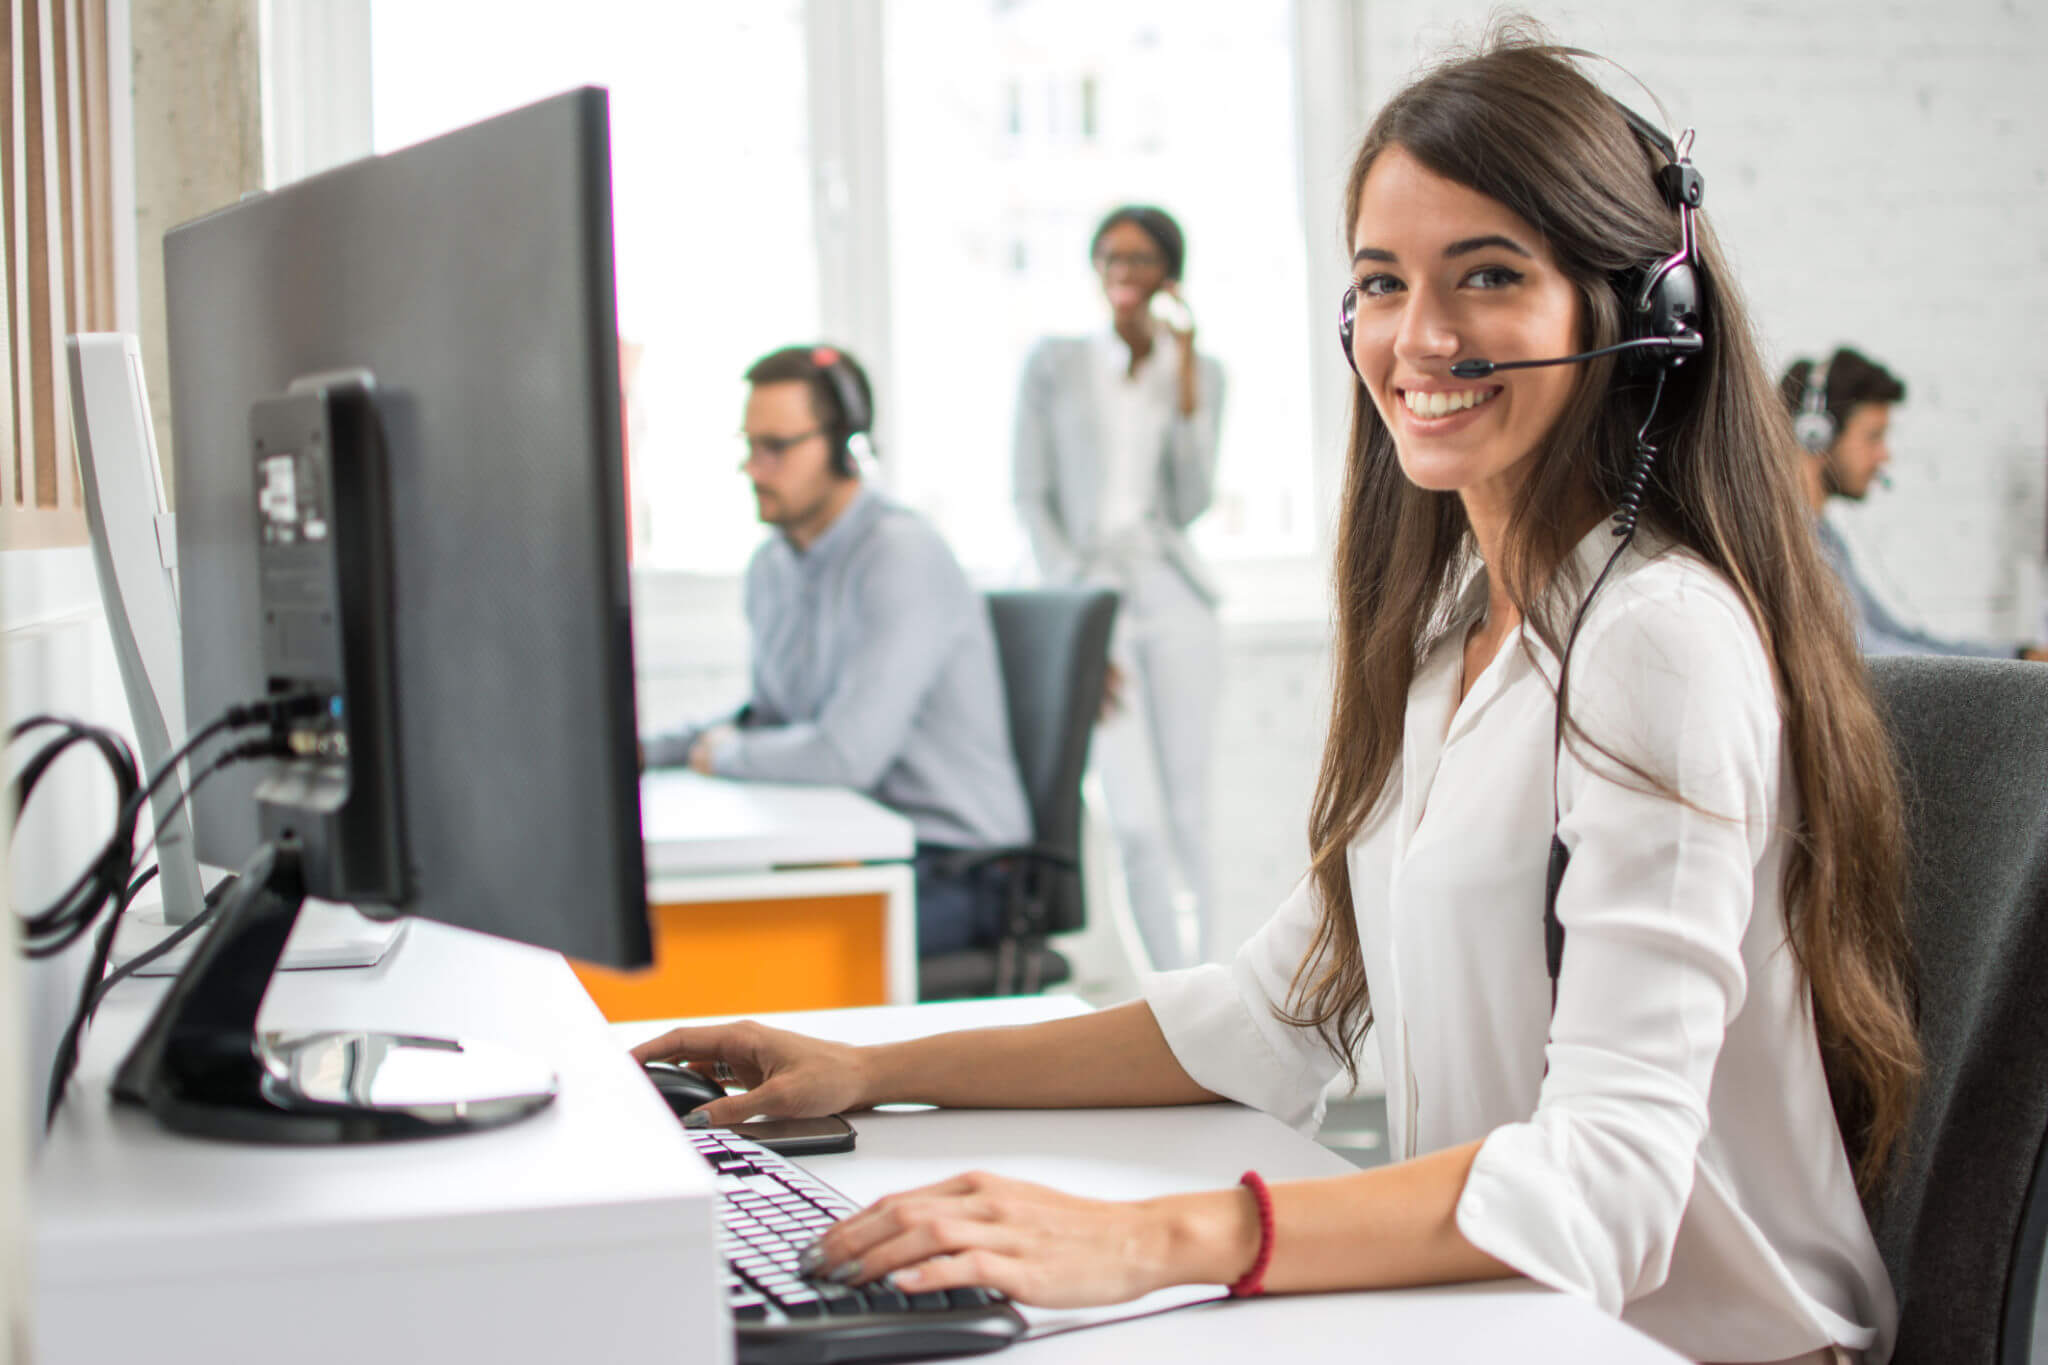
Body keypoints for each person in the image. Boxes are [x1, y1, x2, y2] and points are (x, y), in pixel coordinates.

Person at [636, 32, 1921, 1364]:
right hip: (1510, 1320)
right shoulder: (1447, 633)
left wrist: (1150, 1241)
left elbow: (1608, 1181)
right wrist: (873, 1069)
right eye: (1381, 282)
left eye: (1486, 275)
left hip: (1696, 1344)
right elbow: (1278, 1012)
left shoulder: (1656, 640)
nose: (1419, 336)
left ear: (1637, 316)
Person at [640, 345, 1033, 955]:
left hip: (958, 868)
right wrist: (644, 751)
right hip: (849, 847)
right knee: (681, 926)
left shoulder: (899, 556)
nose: (754, 468)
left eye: (775, 447)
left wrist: (721, 757)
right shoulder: (772, 566)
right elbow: (770, 721)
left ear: (847, 447)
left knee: (746, 956)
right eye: (748, 445)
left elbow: (846, 756)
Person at [1011, 204, 1226, 970]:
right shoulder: (1055, 364)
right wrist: (1075, 616)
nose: (1122, 274)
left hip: (1172, 591)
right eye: (1110, 258)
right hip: (1091, 591)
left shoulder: (1198, 372)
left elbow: (1193, 499)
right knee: (1133, 818)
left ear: (1168, 273)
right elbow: (1030, 497)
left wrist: (1189, 379)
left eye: (1139, 260)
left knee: (1191, 814)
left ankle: (1216, 987)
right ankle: (1170, 997)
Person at [1781, 346, 2048, 660]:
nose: (1885, 455)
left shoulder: (1826, 538)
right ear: (1816, 435)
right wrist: (2006, 678)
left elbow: (1896, 636)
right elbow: (1869, 656)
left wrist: (2019, 658)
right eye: (1873, 436)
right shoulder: (1789, 543)